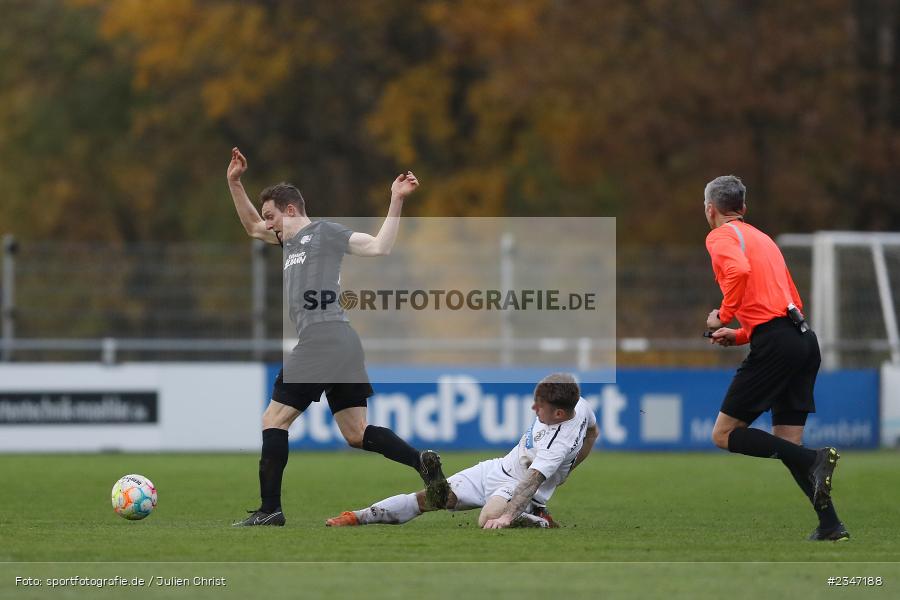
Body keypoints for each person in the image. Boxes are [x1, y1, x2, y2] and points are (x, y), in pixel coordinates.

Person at [226, 147, 448, 527]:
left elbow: (380, 246)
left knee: (273, 420)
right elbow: (249, 226)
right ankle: (422, 463)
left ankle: (270, 510)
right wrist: (234, 182)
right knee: (357, 434)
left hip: (322, 338)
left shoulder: (324, 232)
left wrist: (395, 199)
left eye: (272, 216)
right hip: (343, 341)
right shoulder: (289, 242)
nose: (268, 225)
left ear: (291, 210)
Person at [703, 175, 848, 541]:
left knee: (723, 435)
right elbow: (787, 303)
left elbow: (738, 271)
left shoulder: (720, 236)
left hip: (777, 344)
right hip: (802, 339)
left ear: (710, 211)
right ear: (744, 208)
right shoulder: (763, 239)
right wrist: (739, 334)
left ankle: (814, 459)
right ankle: (830, 525)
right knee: (787, 441)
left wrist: (723, 315)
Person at [325, 373, 599, 529]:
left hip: (515, 486)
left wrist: (506, 516)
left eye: (540, 408)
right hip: (496, 468)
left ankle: (539, 520)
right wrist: (568, 469)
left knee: (488, 520)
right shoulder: (582, 405)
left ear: (560, 413)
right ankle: (356, 517)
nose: (533, 410)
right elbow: (592, 434)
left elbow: (530, 483)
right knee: (434, 497)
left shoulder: (557, 445)